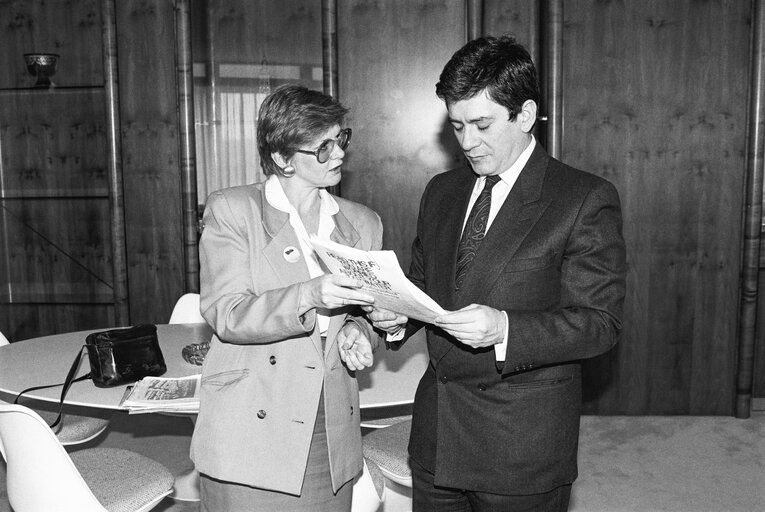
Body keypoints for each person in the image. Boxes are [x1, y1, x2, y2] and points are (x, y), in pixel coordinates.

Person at [366, 35, 627, 511]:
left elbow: (599, 324)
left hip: (520, 448)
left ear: (524, 115)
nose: (467, 142)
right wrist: (397, 316)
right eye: (458, 126)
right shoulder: (441, 191)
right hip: (437, 436)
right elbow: (423, 284)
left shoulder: (582, 198)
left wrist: (505, 328)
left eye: (482, 125)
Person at [191, 84, 383, 511]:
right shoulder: (233, 210)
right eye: (323, 147)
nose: (339, 154)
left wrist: (359, 331)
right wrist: (309, 294)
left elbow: (368, 313)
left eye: (341, 139)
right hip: (252, 422)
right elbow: (228, 314)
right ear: (281, 158)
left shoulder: (362, 223)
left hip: (329, 426)